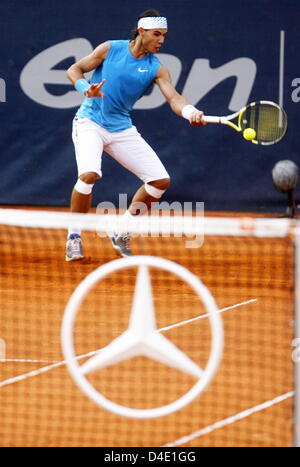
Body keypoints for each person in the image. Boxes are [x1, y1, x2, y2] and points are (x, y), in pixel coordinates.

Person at [66, 8, 205, 261]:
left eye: (164, 35)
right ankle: (74, 236)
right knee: (88, 175)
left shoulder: (157, 68)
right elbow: (75, 69)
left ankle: (122, 231)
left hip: (121, 128)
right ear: (141, 31)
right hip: (89, 122)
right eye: (156, 34)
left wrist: (190, 111)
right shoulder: (110, 49)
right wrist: (86, 88)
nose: (161, 40)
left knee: (159, 181)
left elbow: (174, 98)